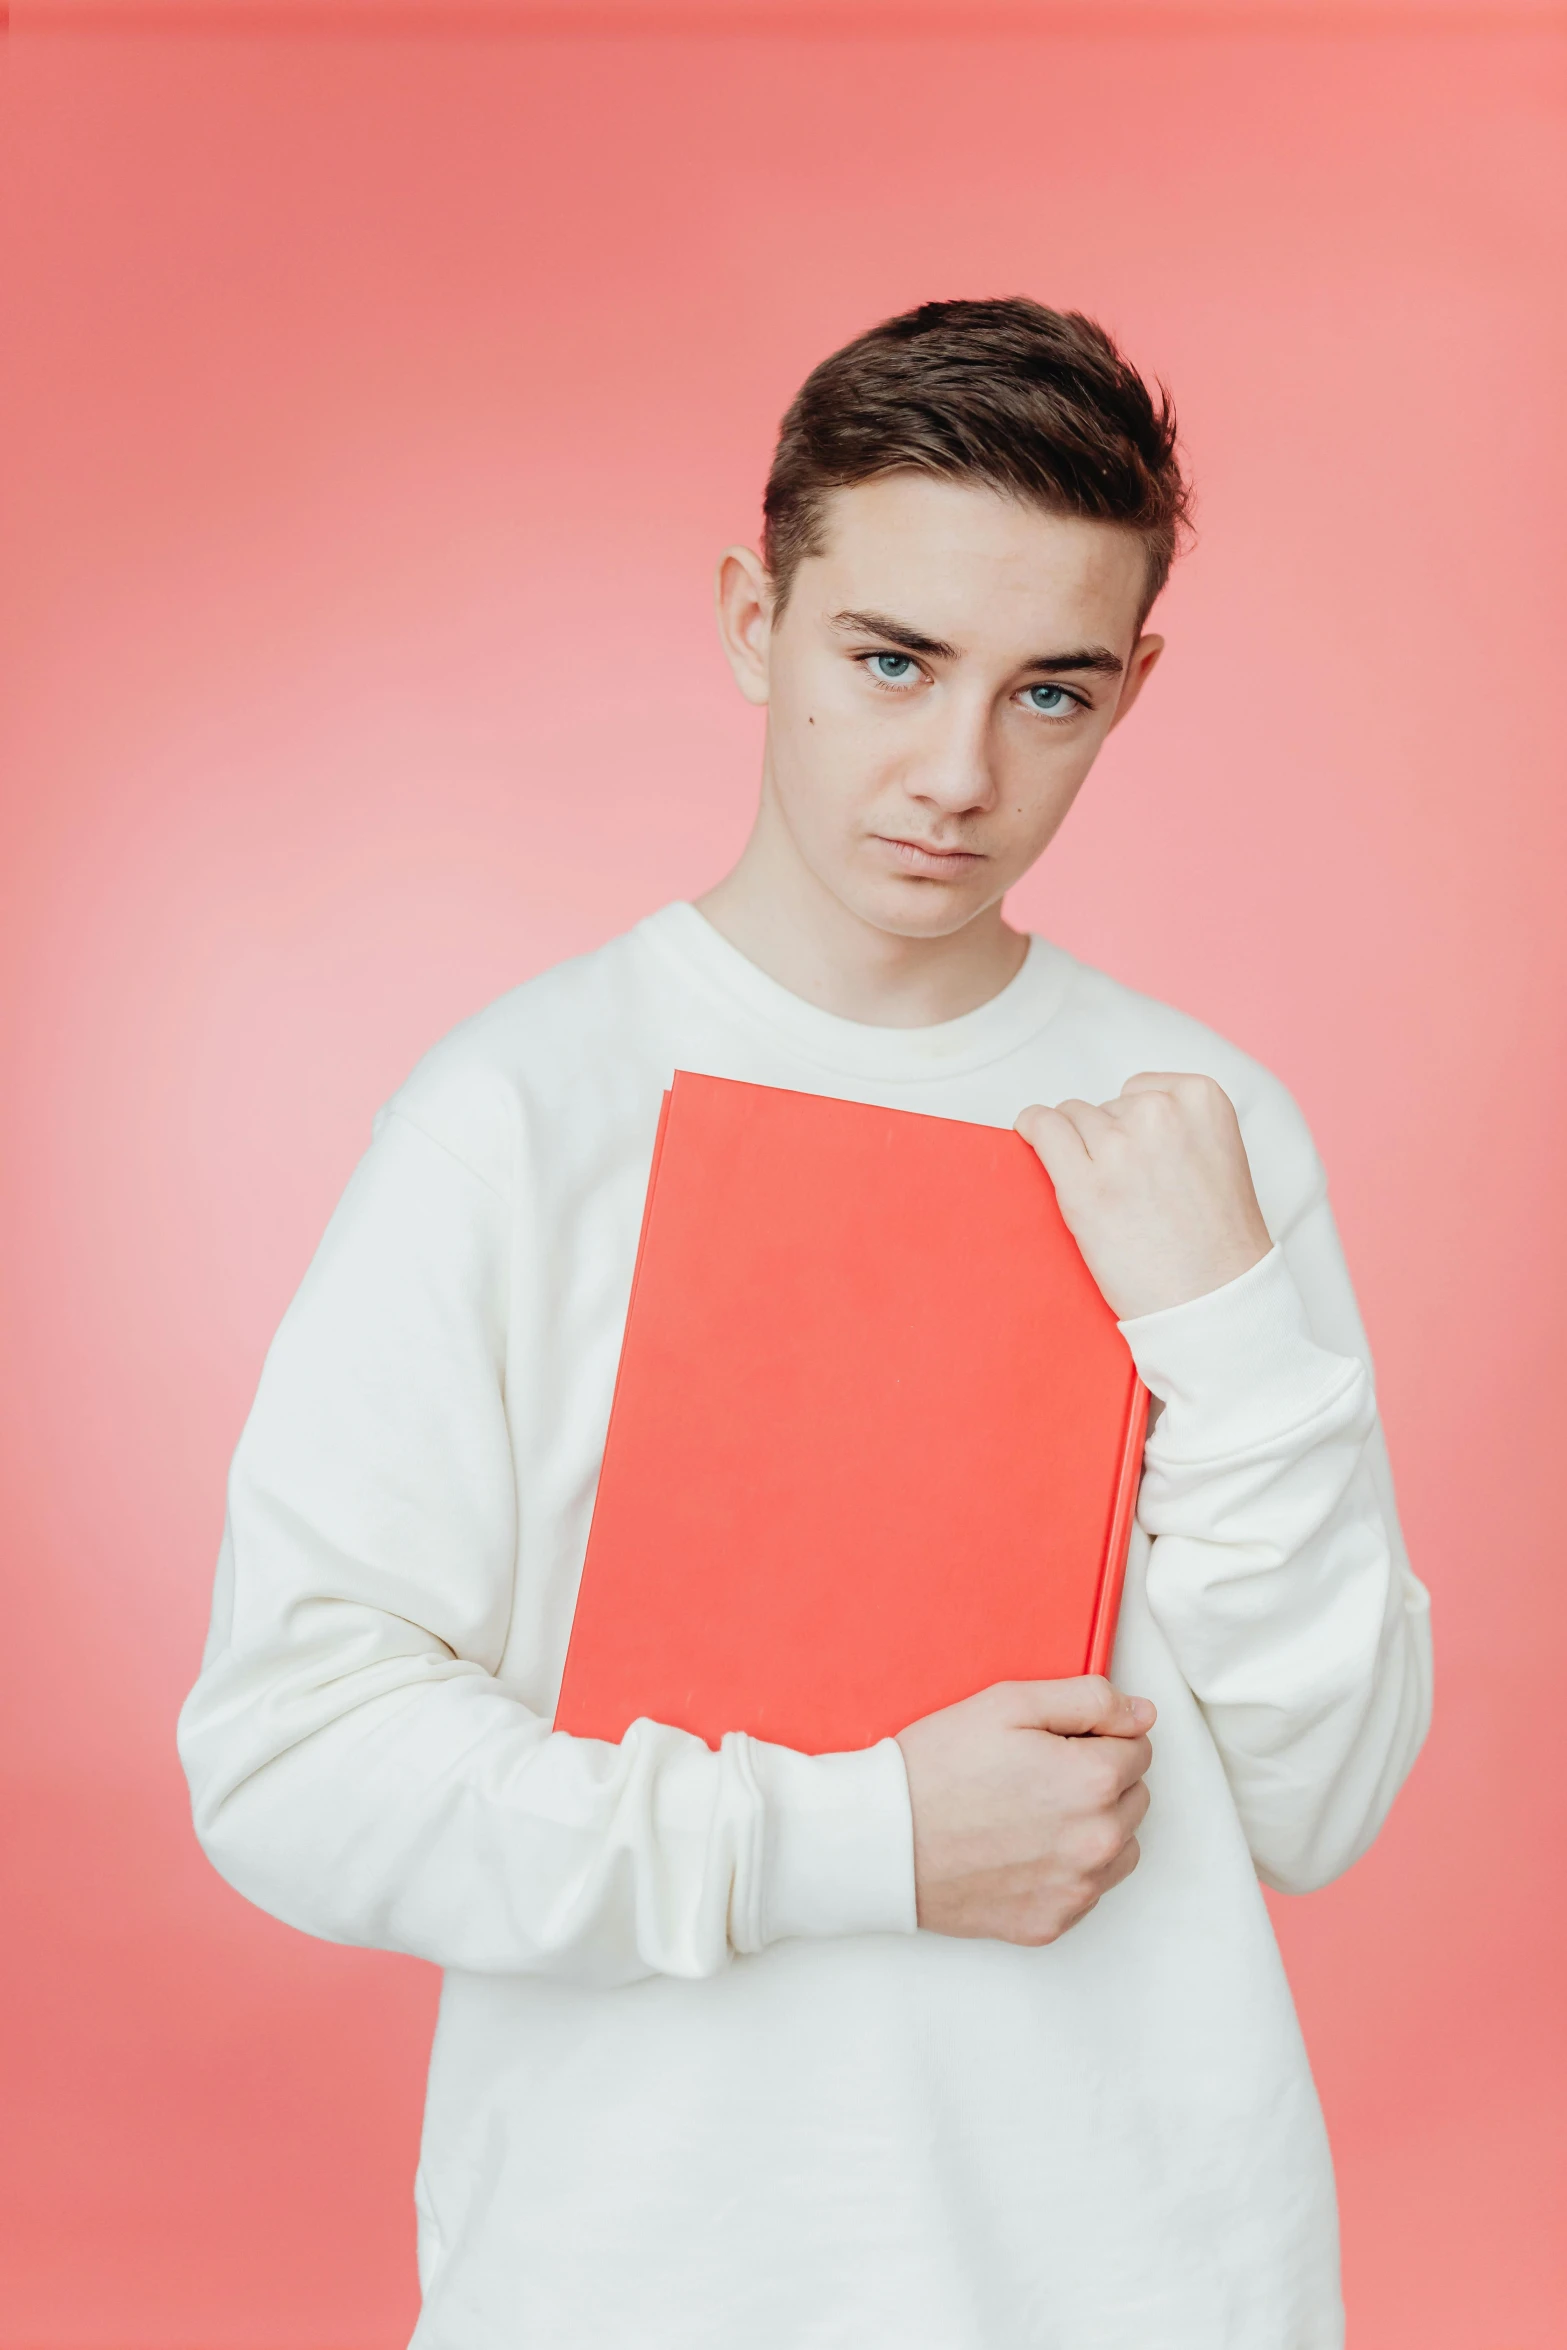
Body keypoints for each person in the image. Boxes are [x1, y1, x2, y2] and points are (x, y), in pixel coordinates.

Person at [178, 297, 1432, 2348]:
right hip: (642, 2276)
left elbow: (1332, 1793)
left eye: (1053, 692)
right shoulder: (516, 1115)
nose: (959, 773)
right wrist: (863, 1835)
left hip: (1145, 2279)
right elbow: (293, 1760)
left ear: (1137, 689)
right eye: (892, 660)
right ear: (756, 616)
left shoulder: (1202, 1131)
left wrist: (1228, 1322)